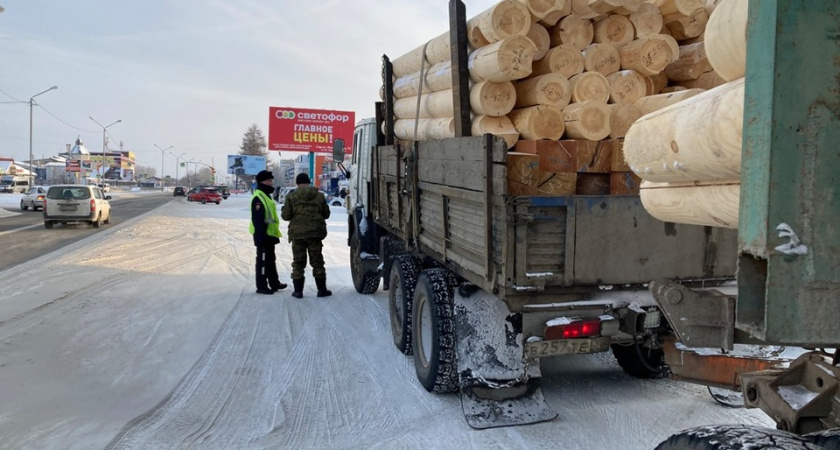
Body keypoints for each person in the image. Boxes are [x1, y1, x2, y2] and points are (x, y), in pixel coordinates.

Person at [281, 173, 331, 298]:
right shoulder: (319, 196)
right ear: (308, 182)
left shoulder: (291, 196)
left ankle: (298, 291)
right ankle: (321, 290)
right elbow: (326, 214)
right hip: (315, 233)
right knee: (317, 262)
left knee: (298, 262)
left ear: (297, 183)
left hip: (298, 234)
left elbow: (286, 216)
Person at [250, 170, 287, 295]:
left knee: (271, 259)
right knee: (263, 260)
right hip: (263, 235)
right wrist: (261, 236)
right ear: (262, 182)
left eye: (271, 180)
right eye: (268, 181)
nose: (271, 183)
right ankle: (261, 286)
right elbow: (258, 219)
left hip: (270, 234)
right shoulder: (258, 197)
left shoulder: (266, 195)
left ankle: (274, 283)